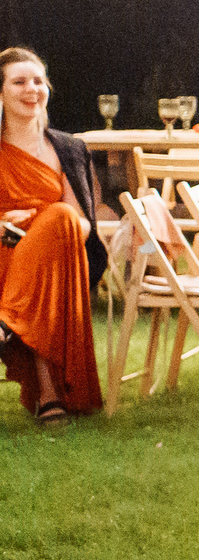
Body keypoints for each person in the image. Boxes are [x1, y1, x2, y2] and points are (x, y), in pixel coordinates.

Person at [0, 48, 105, 427]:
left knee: (60, 219)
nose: (32, 89)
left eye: (38, 81)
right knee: (48, 267)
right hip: (2, 254)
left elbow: (83, 224)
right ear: (1, 93)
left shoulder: (68, 148)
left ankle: (8, 323)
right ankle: (48, 394)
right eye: (19, 81)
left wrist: (40, 226)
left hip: (50, 260)